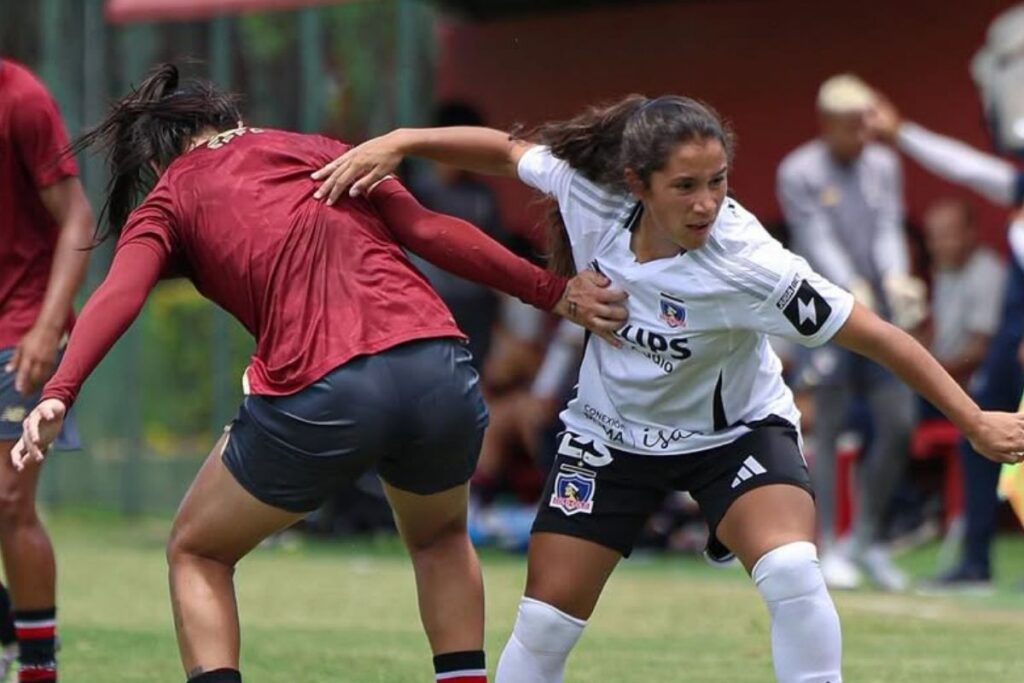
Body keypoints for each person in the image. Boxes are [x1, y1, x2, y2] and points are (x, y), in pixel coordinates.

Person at [313, 94, 1024, 683]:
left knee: (794, 575)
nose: (708, 202)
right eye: (686, 186)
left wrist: (973, 420)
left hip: (735, 435)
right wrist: (401, 138)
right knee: (544, 625)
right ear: (636, 183)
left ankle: (729, 518)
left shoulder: (752, 264)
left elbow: (880, 335)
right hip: (608, 437)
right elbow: (504, 149)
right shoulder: (589, 194)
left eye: (718, 180)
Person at [8, 64, 626, 683]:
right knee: (439, 540)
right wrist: (554, 292)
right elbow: (431, 232)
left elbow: (120, 292)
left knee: (197, 550)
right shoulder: (320, 150)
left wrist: (61, 390)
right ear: (230, 121)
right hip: (437, 366)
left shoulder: (171, 194)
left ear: (162, 153)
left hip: (325, 388)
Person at [864, 43, 1024, 590]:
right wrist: (900, 132)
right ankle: (975, 560)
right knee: (976, 434)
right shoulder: (1019, 186)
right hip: (1011, 346)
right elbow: (967, 166)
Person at [776, 74, 926, 591]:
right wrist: (850, 286)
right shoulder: (799, 170)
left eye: (866, 123)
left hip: (878, 310)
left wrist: (894, 276)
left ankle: (868, 539)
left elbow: (888, 225)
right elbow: (815, 237)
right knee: (830, 426)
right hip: (821, 310)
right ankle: (828, 543)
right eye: (851, 125)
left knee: (899, 421)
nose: (862, 134)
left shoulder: (883, 163)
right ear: (827, 123)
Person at [0, 57, 94, 683]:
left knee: (7, 500)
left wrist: (48, 323)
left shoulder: (21, 99)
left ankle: (37, 666)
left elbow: (79, 220)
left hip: (21, 326)